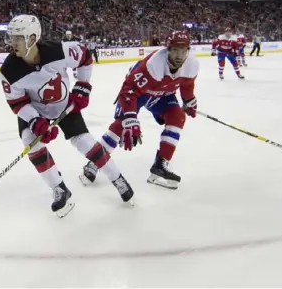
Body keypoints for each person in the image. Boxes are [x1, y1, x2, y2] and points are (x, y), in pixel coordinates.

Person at [0, 15, 134, 218]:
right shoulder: (9, 70)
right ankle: (59, 187)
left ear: (32, 37)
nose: (12, 42)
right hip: (36, 112)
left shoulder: (59, 50)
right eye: (11, 37)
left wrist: (82, 86)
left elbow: (86, 58)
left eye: (18, 37)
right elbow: (17, 103)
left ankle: (117, 178)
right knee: (30, 142)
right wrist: (35, 121)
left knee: (86, 143)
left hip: (65, 106)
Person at [81, 31, 199, 190]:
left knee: (177, 116)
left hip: (162, 95)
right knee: (121, 125)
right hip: (137, 94)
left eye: (183, 50)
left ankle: (161, 165)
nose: (180, 55)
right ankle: (95, 162)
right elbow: (129, 91)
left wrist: (189, 100)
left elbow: (186, 84)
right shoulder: (152, 65)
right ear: (168, 49)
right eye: (176, 50)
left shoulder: (191, 64)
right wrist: (130, 119)